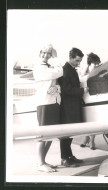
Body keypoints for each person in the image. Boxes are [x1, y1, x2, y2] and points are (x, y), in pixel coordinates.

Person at [33, 44, 63, 172]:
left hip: (53, 103)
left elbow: (57, 82)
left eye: (49, 53)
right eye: (44, 52)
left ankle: (43, 161)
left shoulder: (49, 67)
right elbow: (59, 72)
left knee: (51, 135)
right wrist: (56, 58)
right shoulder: (39, 67)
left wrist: (57, 88)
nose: (46, 55)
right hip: (44, 103)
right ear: (40, 53)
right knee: (42, 135)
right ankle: (40, 164)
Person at [58, 47, 87, 167]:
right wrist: (82, 91)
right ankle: (64, 158)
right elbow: (66, 90)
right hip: (67, 108)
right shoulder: (65, 70)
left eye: (80, 61)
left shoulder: (71, 69)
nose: (78, 63)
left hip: (73, 106)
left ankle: (69, 156)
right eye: (77, 60)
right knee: (66, 134)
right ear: (70, 58)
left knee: (70, 134)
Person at [78, 52, 101, 150]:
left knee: (92, 121)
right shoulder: (83, 74)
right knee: (85, 121)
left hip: (93, 100)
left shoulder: (97, 76)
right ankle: (86, 138)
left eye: (97, 64)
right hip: (83, 100)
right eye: (94, 64)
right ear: (89, 64)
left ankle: (91, 140)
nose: (96, 66)